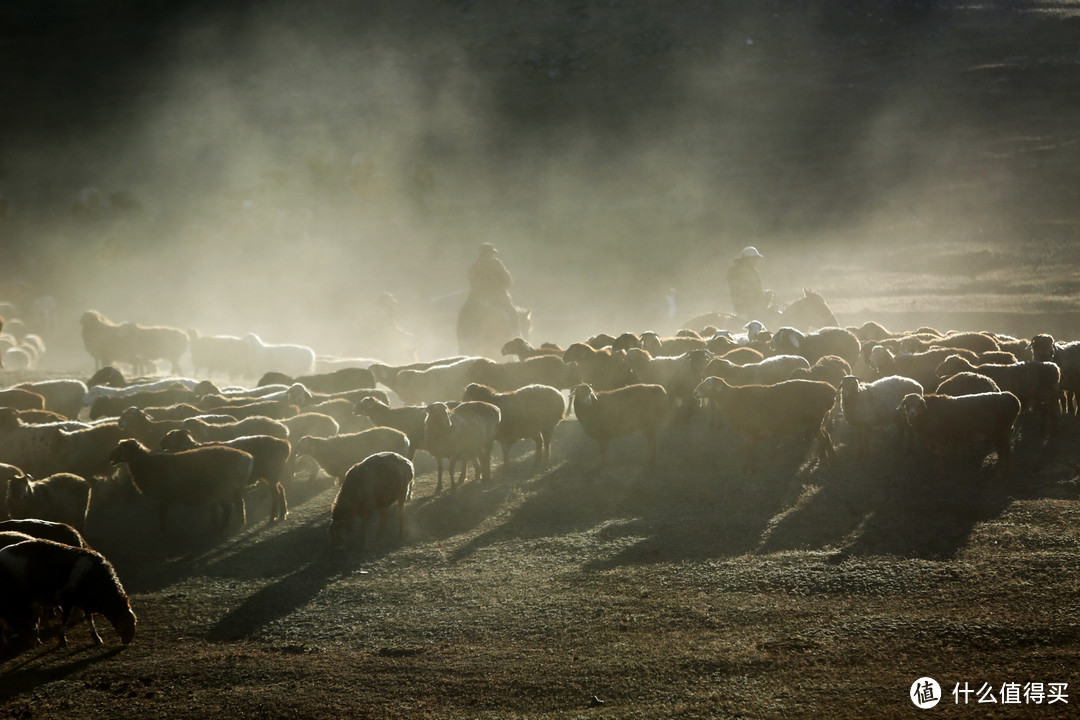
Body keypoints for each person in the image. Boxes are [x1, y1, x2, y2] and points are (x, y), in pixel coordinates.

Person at [467, 243, 516, 320]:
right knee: (513, 314)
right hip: (497, 298)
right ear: (490, 253)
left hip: (478, 298)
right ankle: (516, 331)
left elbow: (471, 279)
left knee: (466, 312)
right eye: (492, 253)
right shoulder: (496, 263)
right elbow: (508, 280)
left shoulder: (474, 266)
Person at [727, 245, 773, 322]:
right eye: (754, 259)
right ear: (748, 259)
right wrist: (742, 311)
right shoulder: (738, 271)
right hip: (747, 309)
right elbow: (736, 293)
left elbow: (754, 291)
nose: (756, 261)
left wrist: (764, 295)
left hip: (754, 307)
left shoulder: (751, 270)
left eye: (757, 259)